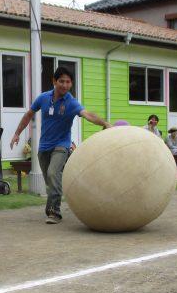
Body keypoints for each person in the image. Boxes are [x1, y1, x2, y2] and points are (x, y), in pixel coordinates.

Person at [9, 66, 110, 224]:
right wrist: (17, 133)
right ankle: (56, 201)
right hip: (44, 147)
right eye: (61, 81)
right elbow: (29, 114)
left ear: (71, 84)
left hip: (62, 145)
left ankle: (55, 212)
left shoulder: (71, 102)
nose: (64, 85)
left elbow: (87, 115)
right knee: (51, 180)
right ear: (54, 81)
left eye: (68, 82)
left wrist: (105, 123)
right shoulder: (43, 98)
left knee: (52, 173)